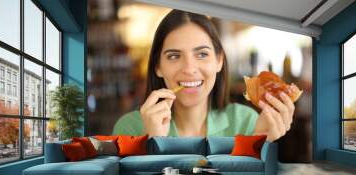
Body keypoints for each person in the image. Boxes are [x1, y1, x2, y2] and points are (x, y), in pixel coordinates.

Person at [112, 10, 295, 142]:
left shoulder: (246, 122)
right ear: (158, 67)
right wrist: (153, 142)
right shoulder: (129, 128)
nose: (190, 69)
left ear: (219, 61)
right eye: (174, 56)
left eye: (202, 54)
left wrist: (259, 143)